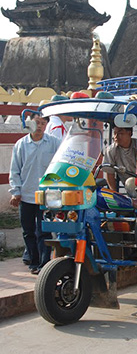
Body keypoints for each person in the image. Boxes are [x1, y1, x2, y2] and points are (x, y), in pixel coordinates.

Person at [9, 114, 61, 274]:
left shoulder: (54, 143)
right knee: (28, 231)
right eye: (36, 122)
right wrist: (15, 192)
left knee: (43, 231)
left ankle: (44, 264)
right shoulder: (21, 145)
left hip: (47, 196)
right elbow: (15, 170)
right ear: (29, 124)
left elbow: (61, 164)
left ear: (46, 125)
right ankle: (34, 261)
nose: (39, 126)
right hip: (26, 195)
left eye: (43, 123)